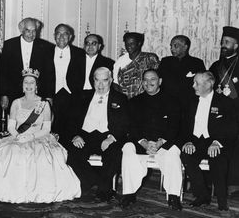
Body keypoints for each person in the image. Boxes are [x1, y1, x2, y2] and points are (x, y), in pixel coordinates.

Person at [0, 68, 80, 203]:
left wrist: (31, 137)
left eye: (32, 82)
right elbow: (11, 126)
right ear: (22, 85)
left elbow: (46, 128)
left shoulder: (44, 104)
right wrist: (18, 136)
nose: (29, 85)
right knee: (8, 154)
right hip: (17, 137)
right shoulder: (16, 103)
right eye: (26, 82)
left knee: (40, 157)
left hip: (40, 138)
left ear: (37, 86)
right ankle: (12, 191)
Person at [121, 69, 182, 210]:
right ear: (142, 83)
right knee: (127, 148)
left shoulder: (172, 101)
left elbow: (175, 127)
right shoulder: (134, 102)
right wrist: (143, 143)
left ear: (160, 81)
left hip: (164, 142)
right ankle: (129, 194)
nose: (149, 83)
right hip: (142, 143)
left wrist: (160, 142)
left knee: (173, 153)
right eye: (145, 80)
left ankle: (173, 196)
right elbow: (131, 127)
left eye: (153, 79)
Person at [66, 67, 129, 202]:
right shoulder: (82, 96)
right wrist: (75, 135)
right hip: (85, 136)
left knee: (115, 153)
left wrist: (112, 138)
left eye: (105, 80)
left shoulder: (120, 98)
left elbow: (124, 123)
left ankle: (99, 187)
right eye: (97, 80)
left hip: (107, 136)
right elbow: (71, 120)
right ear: (93, 81)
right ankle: (101, 183)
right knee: (71, 153)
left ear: (111, 80)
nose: (100, 85)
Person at [181, 71, 238, 211]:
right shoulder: (190, 101)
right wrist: (187, 141)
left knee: (217, 160)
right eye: (194, 82)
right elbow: (183, 125)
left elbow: (232, 128)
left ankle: (222, 201)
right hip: (195, 142)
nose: (193, 86)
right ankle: (202, 195)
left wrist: (217, 142)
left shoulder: (225, 102)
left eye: (197, 83)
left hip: (215, 142)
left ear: (210, 83)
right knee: (186, 156)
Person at [41, 24, 86, 140]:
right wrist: (47, 96)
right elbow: (42, 77)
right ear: (54, 36)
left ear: (70, 36)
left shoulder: (79, 53)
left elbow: (83, 76)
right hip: (51, 96)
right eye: (58, 33)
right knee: (52, 129)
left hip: (72, 96)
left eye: (65, 33)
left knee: (70, 130)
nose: (62, 37)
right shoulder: (45, 52)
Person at [209, 26, 239, 195]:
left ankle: (234, 183)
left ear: (236, 45)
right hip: (218, 113)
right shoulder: (216, 65)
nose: (223, 45)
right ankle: (212, 181)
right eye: (222, 42)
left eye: (227, 42)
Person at [0, 17, 52, 110]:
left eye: (34, 31)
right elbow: (3, 72)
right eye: (28, 31)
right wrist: (4, 94)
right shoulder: (9, 45)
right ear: (21, 30)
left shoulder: (45, 46)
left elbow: (49, 74)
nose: (31, 34)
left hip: (37, 94)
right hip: (14, 93)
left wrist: (49, 96)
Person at [158, 35, 206, 109]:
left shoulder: (197, 63)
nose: (172, 49)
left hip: (189, 104)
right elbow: (159, 81)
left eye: (175, 46)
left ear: (185, 47)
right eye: (171, 46)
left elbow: (202, 84)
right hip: (168, 103)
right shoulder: (165, 61)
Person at [113, 32, 159, 98]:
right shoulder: (120, 61)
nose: (128, 46)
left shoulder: (150, 58)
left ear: (139, 44)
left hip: (147, 98)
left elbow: (157, 81)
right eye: (127, 43)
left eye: (132, 44)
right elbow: (115, 83)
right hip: (126, 99)